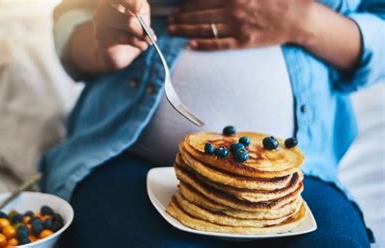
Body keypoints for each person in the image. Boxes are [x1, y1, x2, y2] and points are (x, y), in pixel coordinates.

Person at [41, 0, 384, 247]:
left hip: (293, 181)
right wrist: (101, 43)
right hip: (126, 157)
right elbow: (71, 17)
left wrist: (306, 21)